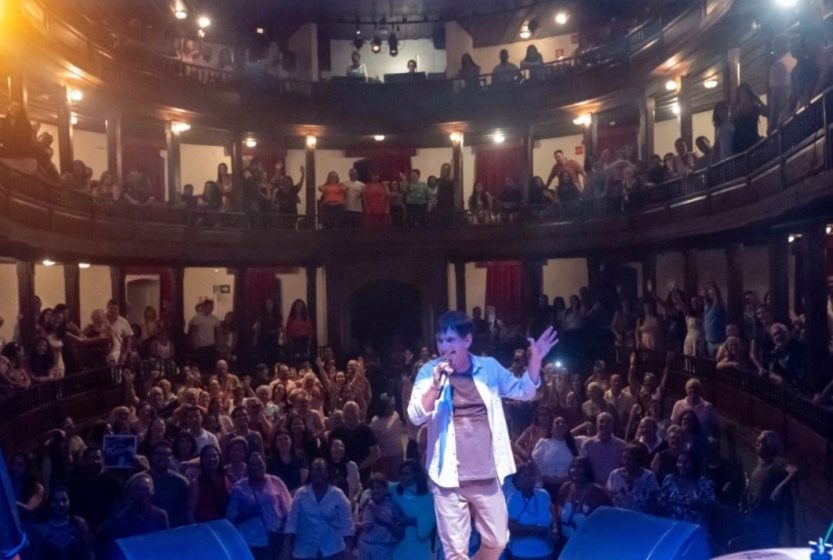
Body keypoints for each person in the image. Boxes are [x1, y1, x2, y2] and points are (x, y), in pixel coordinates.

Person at [407, 311, 558, 560]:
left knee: (498, 540)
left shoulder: (488, 368)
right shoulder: (429, 371)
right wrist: (435, 385)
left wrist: (535, 360)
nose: (444, 346)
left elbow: (523, 391)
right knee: (455, 553)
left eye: (450, 340)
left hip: (486, 473)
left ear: (467, 340)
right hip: (448, 477)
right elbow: (415, 416)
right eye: (440, 340)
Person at [283, 458, 354, 560]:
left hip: (333, 550)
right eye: (315, 469)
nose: (318, 472)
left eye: (321, 469)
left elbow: (347, 525)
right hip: (304, 550)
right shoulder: (301, 494)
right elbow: (291, 522)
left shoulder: (337, 495)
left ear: (327, 472)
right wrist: (286, 548)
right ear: (310, 473)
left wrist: (348, 550)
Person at [227, 452, 293, 560]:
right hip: (250, 542)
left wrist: (286, 543)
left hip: (276, 538)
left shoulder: (276, 481)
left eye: (259, 463)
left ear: (265, 464)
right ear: (247, 467)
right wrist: (247, 513)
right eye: (252, 464)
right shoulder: (238, 488)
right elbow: (230, 519)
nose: (256, 467)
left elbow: (289, 512)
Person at [745, 431, 799, 548]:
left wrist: (780, 487)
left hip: (768, 517)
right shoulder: (761, 464)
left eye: (761, 441)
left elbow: (794, 470)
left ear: (770, 445)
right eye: (757, 440)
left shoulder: (777, 462)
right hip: (756, 514)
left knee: (765, 547)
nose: (757, 443)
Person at [99, 473, 169, 557]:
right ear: (132, 492)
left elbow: (164, 544)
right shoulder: (120, 519)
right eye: (139, 489)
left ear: (152, 491)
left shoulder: (161, 515)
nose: (143, 493)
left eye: (146, 489)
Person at [556, 457, 610, 543]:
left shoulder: (597, 492)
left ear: (587, 470)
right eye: (573, 467)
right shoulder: (565, 488)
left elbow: (604, 523)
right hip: (564, 543)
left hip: (588, 544)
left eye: (579, 467)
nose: (575, 470)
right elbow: (557, 517)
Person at [506, 463, 554, 560]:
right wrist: (536, 529)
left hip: (545, 551)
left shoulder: (544, 495)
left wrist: (555, 530)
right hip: (520, 554)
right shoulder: (513, 499)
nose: (529, 478)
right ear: (517, 481)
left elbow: (553, 515)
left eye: (531, 474)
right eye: (524, 475)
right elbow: (512, 527)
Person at [31, 486, 94, 560]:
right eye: (56, 501)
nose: (61, 504)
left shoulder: (79, 524)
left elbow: (87, 552)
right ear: (49, 503)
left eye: (64, 500)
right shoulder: (40, 529)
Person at [657, 450, 716, 525]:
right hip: (672, 525)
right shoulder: (669, 480)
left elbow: (713, 508)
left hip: (695, 527)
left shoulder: (704, 483)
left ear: (694, 464)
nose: (682, 465)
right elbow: (660, 504)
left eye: (686, 462)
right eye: (679, 462)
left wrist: (699, 504)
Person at [390, 460, 435, 560]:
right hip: (398, 546)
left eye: (406, 474)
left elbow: (431, 519)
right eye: (401, 474)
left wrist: (410, 521)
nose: (402, 477)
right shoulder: (393, 490)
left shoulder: (428, 496)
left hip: (420, 547)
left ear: (417, 475)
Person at [531, 416, 578, 498]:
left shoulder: (573, 444)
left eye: (563, 423)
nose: (560, 425)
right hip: (546, 486)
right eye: (557, 423)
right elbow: (534, 462)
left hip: (567, 488)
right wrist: (541, 481)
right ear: (551, 429)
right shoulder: (543, 443)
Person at [356, 473, 400, 559]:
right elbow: (354, 523)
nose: (375, 491)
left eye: (379, 488)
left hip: (383, 547)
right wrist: (361, 525)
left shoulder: (392, 506)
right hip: (364, 545)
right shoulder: (366, 503)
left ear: (385, 489)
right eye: (372, 488)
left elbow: (399, 530)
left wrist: (386, 522)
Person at [148, 441, 190, 528]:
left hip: (174, 529)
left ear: (172, 458)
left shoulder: (181, 482)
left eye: (167, 454)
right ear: (152, 456)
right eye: (158, 453)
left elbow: (186, 512)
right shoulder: (139, 480)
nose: (162, 457)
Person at [606, 445, 658, 513]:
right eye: (623, 458)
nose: (625, 462)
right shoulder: (614, 474)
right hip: (618, 515)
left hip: (641, 516)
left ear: (637, 460)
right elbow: (609, 496)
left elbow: (654, 499)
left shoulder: (649, 476)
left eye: (629, 459)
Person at [579, 412, 627, 486]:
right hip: (593, 487)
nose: (605, 424)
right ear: (596, 424)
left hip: (615, 487)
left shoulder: (622, 445)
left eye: (608, 422)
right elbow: (583, 468)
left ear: (613, 424)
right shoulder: (587, 445)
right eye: (601, 421)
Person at [187, 445, 229, 523]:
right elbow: (190, 514)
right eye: (207, 457)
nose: (211, 459)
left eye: (214, 455)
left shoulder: (226, 478)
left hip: (224, 524)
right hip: (205, 525)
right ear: (202, 460)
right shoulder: (196, 483)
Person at [769, 34, 797, 133]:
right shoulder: (796, 61)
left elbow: (777, 94)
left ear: (776, 48)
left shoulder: (776, 67)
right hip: (799, 106)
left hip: (785, 112)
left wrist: (772, 120)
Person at [732, 83, 767, 154]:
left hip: (752, 138)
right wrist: (740, 107)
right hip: (739, 142)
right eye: (741, 92)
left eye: (745, 92)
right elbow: (731, 120)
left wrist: (759, 101)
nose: (743, 94)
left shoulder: (755, 107)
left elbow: (767, 112)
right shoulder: (736, 108)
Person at [188, 299, 221, 372]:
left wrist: (217, 343)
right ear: (205, 306)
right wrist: (195, 343)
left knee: (211, 365)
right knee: (202, 365)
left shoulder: (214, 318)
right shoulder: (197, 318)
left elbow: (217, 332)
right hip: (201, 345)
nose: (211, 308)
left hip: (211, 345)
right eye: (210, 306)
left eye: (212, 306)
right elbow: (193, 332)